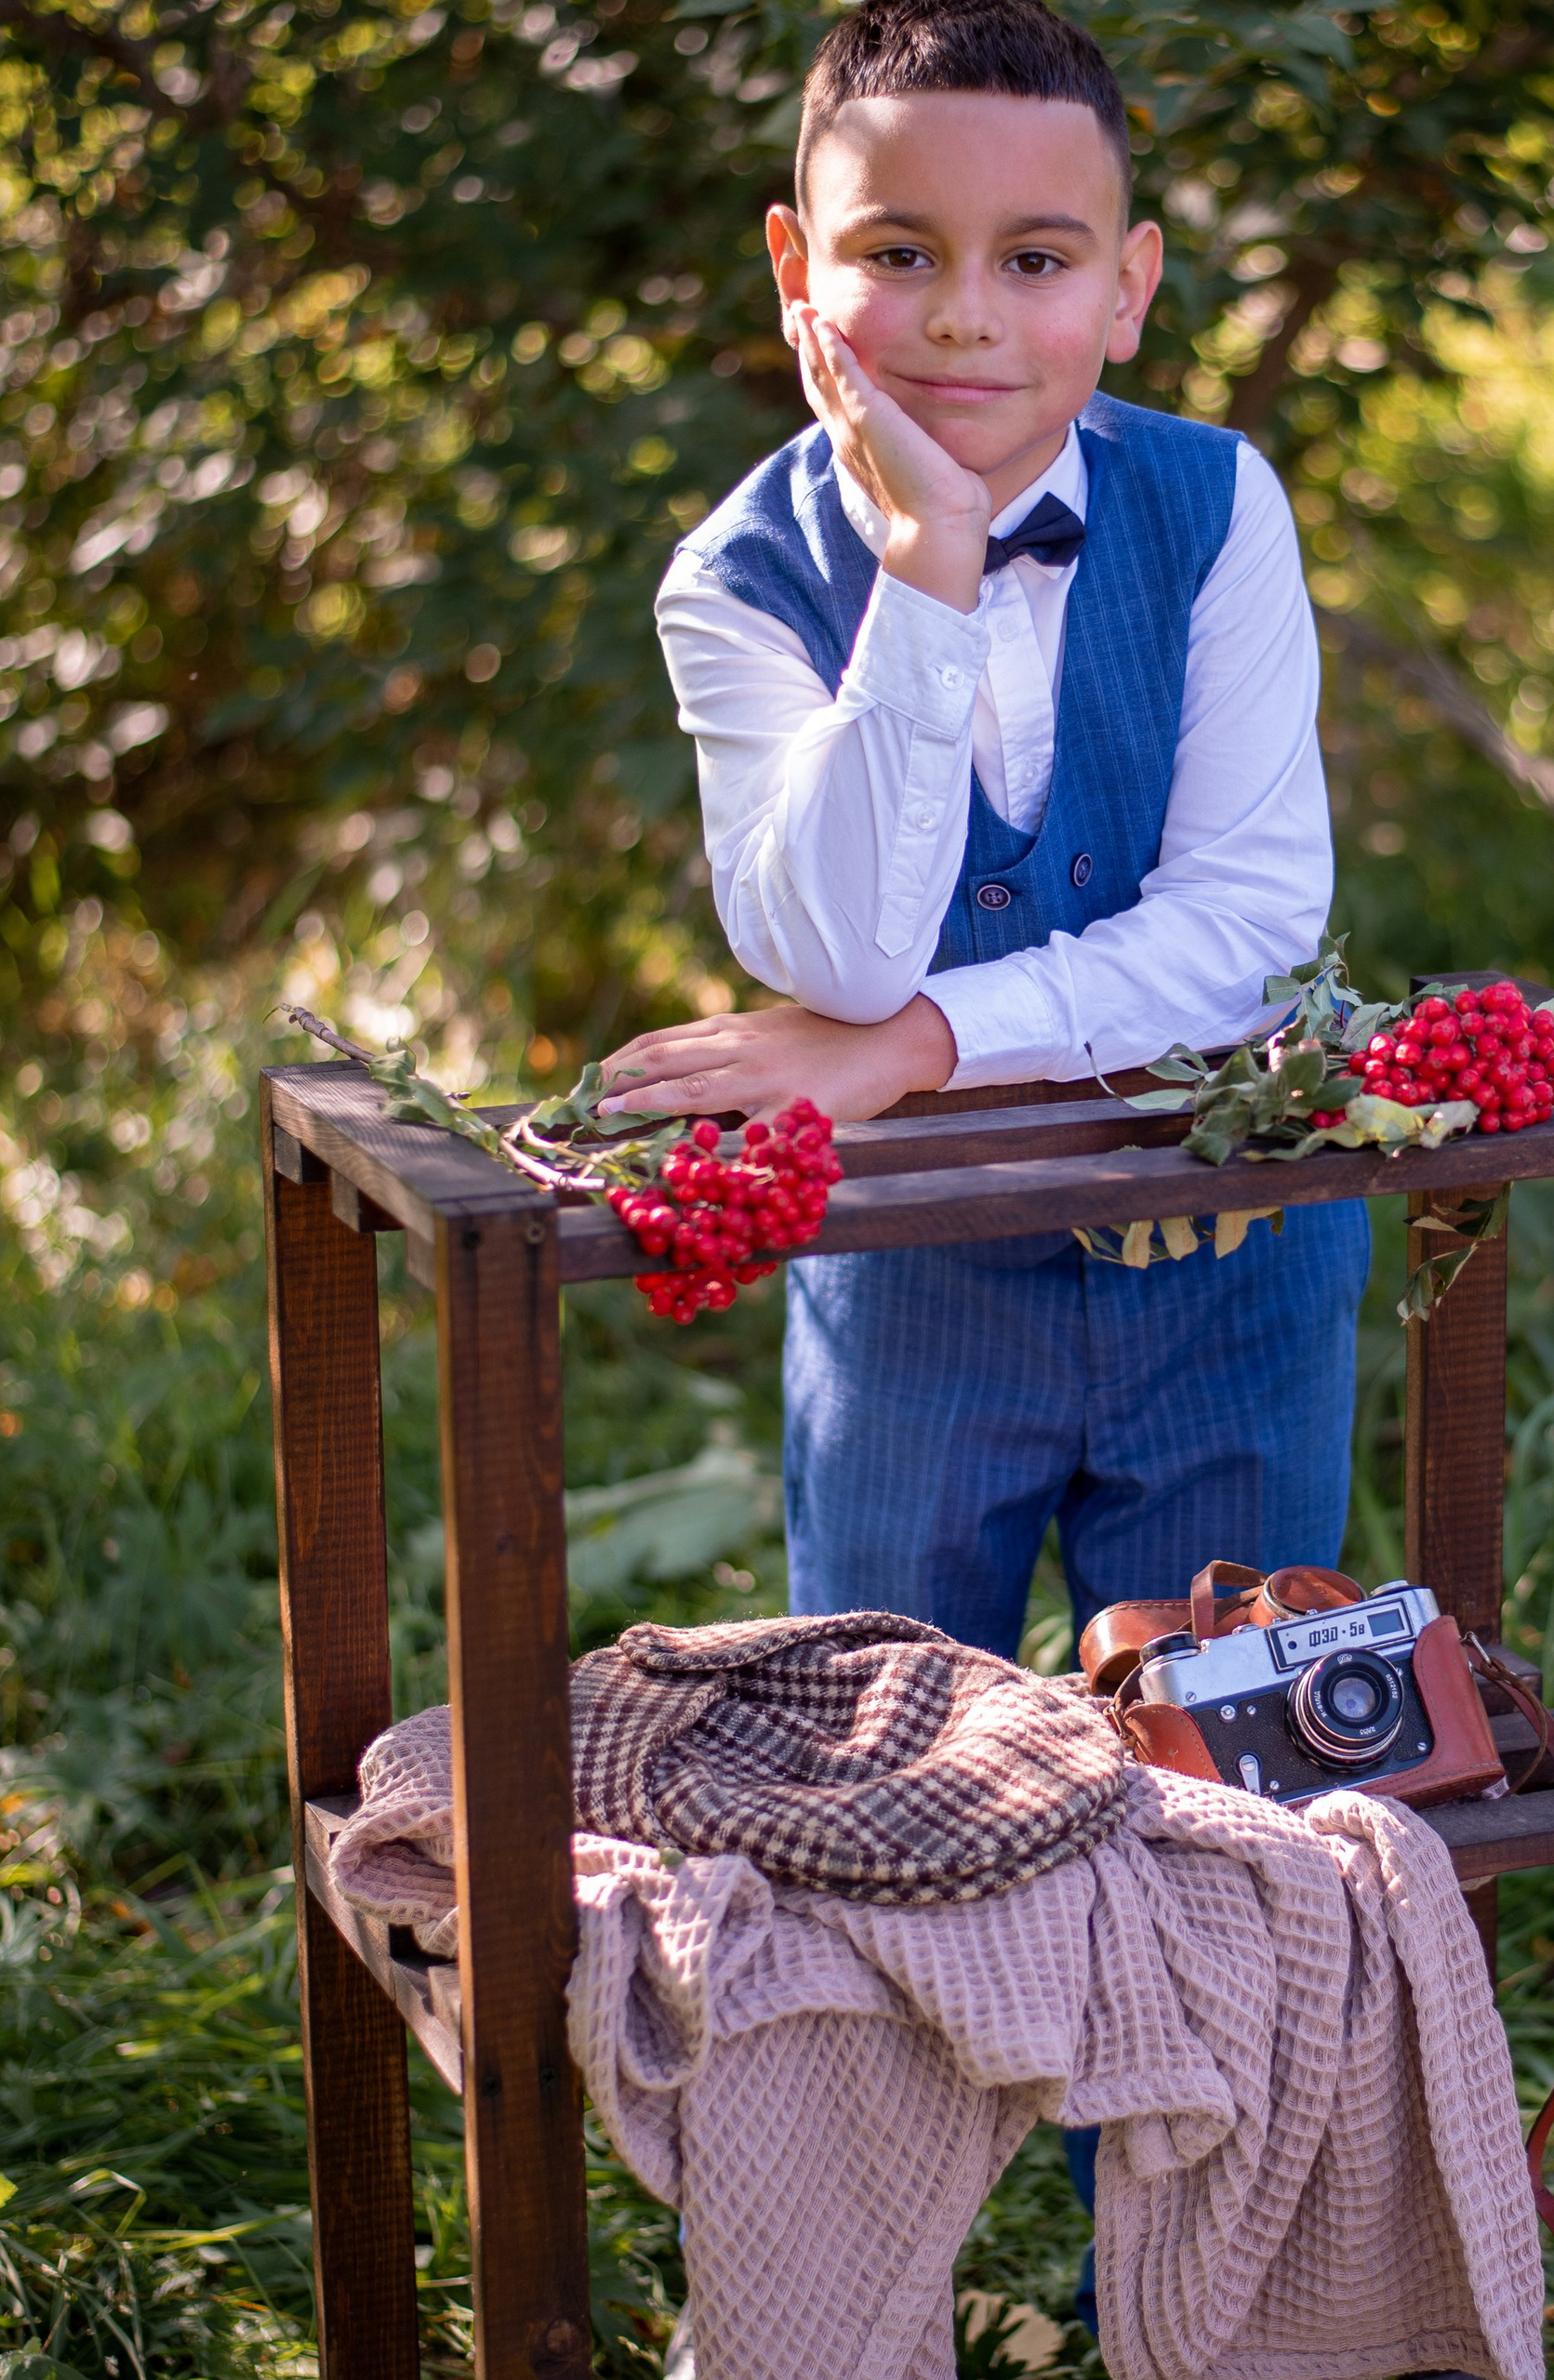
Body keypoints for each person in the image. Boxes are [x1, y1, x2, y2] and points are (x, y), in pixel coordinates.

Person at [598, 0, 1368, 1671]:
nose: (964, 320)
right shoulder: (734, 583)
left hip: (1231, 1249)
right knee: (880, 1754)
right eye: (899, 253)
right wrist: (930, 555)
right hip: (912, 1279)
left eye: (1035, 261)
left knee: (1224, 1776)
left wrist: (918, 1042)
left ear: (1131, 286)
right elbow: (845, 953)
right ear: (798, 269)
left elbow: (1245, 926)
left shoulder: (1221, 506)